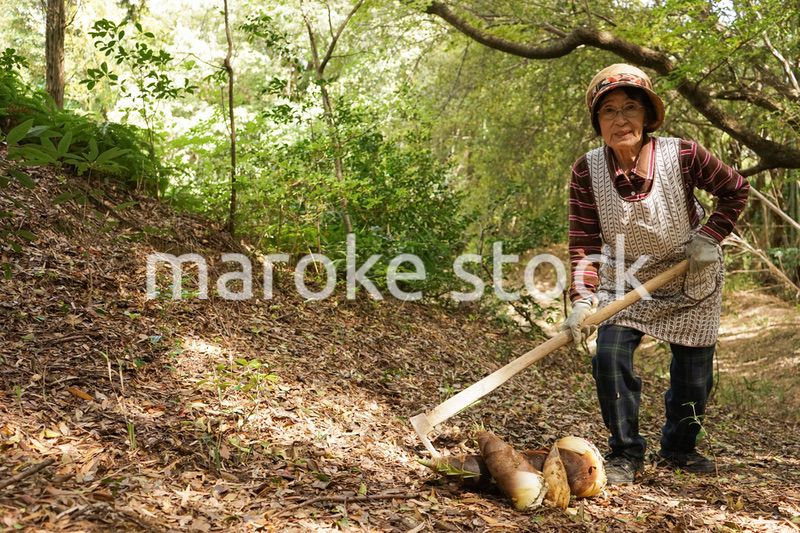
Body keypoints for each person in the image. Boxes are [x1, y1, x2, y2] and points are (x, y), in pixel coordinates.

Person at [560, 64, 750, 484]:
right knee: (609, 356)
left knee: (694, 377)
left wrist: (710, 236)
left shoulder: (682, 154)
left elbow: (735, 189)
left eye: (630, 108)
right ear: (598, 122)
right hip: (624, 278)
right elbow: (585, 244)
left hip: (689, 273)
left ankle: (680, 448)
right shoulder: (586, 171)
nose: (620, 119)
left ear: (648, 115)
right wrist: (582, 300)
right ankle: (625, 452)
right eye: (608, 111)